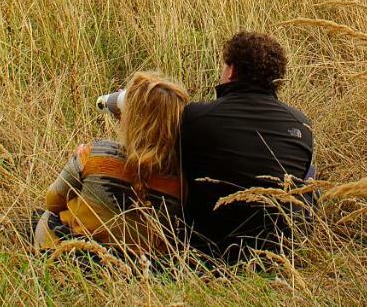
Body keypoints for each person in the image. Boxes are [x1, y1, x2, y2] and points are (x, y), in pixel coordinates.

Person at [178, 32, 315, 262]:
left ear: (231, 71)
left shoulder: (195, 117)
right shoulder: (301, 124)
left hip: (207, 251)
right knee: (310, 177)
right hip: (276, 254)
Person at [33, 71, 189, 256]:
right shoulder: (180, 182)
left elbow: (52, 202)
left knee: (42, 217)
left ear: (128, 117)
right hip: (134, 270)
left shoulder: (96, 153)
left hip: (72, 257)